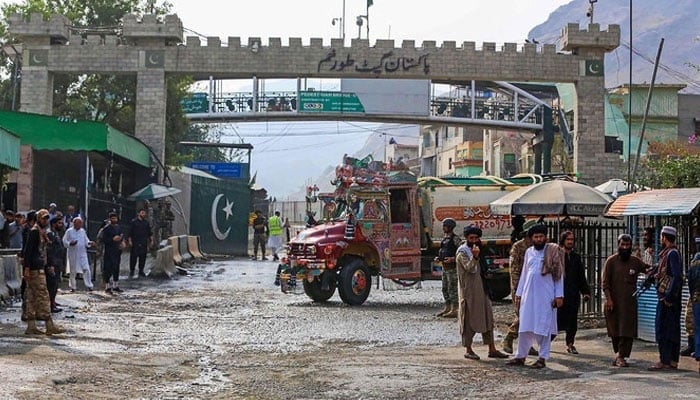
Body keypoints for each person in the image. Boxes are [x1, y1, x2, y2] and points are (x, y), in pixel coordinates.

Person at [506, 224, 564, 369]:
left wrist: (559, 295)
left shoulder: (552, 251)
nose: (539, 239)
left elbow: (559, 275)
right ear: (531, 239)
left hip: (546, 296)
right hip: (528, 295)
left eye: (541, 236)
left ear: (545, 237)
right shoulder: (529, 252)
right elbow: (525, 274)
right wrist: (519, 294)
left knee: (543, 327)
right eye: (536, 237)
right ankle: (520, 356)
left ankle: (542, 358)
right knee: (524, 326)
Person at [457, 225, 509, 360]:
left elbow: (482, 268)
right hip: (470, 292)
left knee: (487, 318)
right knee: (469, 320)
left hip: (483, 289)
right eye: (471, 238)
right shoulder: (462, 253)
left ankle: (492, 348)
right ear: (466, 238)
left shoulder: (480, 250)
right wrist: (474, 257)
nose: (474, 240)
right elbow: (469, 268)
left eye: (476, 238)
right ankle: (468, 348)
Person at [602, 233, 650, 367]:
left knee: (627, 331)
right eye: (622, 245)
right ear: (618, 245)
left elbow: (647, 269)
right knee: (615, 331)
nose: (624, 247)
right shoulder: (611, 261)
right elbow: (605, 283)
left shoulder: (635, 261)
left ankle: (621, 356)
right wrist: (609, 299)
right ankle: (618, 354)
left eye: (627, 245)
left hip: (629, 304)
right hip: (614, 303)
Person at [21, 209, 65, 335]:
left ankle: (31, 326)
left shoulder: (40, 232)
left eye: (46, 218)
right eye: (43, 218)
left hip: (37, 267)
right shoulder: (35, 232)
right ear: (38, 218)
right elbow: (28, 250)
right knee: (43, 296)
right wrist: (27, 268)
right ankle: (49, 324)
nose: (45, 220)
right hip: (35, 269)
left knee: (31, 297)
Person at [648, 225, 684, 371]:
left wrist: (669, 296)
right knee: (671, 329)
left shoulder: (671, 254)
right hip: (669, 299)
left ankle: (665, 360)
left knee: (664, 329)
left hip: (668, 300)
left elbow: (677, 277)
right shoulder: (669, 253)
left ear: (664, 237)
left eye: (661, 236)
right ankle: (672, 361)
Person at [556, 231, 591, 355]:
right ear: (563, 240)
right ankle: (545, 344)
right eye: (568, 239)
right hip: (559, 294)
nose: (570, 242)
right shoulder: (557, 256)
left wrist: (585, 292)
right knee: (556, 321)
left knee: (572, 321)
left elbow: (581, 276)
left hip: (573, 294)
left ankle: (570, 344)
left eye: (572, 239)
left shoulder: (576, 257)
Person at [502, 231, 536, 355]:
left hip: (533, 285)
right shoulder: (518, 247)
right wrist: (517, 289)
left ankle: (527, 343)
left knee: (531, 316)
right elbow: (514, 269)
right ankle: (509, 337)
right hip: (521, 286)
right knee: (522, 314)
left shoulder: (536, 247)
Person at [435, 218, 461, 318]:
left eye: (445, 226)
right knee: (445, 288)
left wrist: (453, 259)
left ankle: (455, 309)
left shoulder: (455, 239)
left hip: (452, 268)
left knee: (452, 288)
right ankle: (448, 307)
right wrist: (438, 258)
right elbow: (443, 250)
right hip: (445, 268)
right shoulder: (445, 239)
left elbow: (461, 252)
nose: (443, 228)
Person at [63, 217, 95, 291]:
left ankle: (89, 285)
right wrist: (70, 243)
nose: (80, 225)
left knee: (86, 269)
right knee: (72, 271)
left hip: (82, 254)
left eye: (81, 223)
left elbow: (86, 241)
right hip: (73, 254)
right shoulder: (69, 231)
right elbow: (64, 241)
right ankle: (73, 287)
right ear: (74, 223)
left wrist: (90, 243)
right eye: (78, 223)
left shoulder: (82, 231)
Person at [101, 212, 125, 294]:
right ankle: (107, 286)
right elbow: (103, 239)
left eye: (115, 218)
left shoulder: (118, 227)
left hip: (117, 250)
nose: (114, 220)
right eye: (113, 218)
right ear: (110, 219)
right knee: (108, 268)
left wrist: (122, 242)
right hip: (109, 251)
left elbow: (121, 236)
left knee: (116, 267)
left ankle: (115, 285)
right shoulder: (106, 228)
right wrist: (112, 239)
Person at [46, 216, 66, 312]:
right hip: (53, 263)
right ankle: (50, 305)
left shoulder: (56, 234)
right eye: (59, 223)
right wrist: (51, 265)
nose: (61, 225)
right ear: (53, 224)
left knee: (55, 284)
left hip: (58, 262)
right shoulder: (50, 234)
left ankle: (53, 302)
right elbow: (50, 251)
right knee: (51, 285)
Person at [687, 236, 700, 375]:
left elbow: (690, 281)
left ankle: (698, 352)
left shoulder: (694, 262)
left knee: (698, 327)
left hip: (697, 299)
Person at [127, 208, 152, 278]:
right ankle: (132, 270)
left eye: (144, 213)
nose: (143, 214)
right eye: (142, 213)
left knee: (143, 257)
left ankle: (141, 270)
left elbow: (149, 233)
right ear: (139, 213)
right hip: (135, 242)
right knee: (133, 257)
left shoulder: (146, 223)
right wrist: (130, 241)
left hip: (143, 242)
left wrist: (151, 240)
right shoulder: (133, 222)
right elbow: (130, 232)